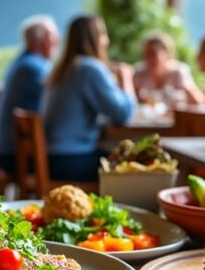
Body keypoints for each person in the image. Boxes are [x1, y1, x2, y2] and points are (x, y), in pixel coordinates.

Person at [42, 15, 135, 182]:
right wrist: (126, 79)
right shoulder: (89, 69)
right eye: (104, 35)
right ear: (97, 39)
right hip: (70, 160)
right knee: (134, 168)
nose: (106, 41)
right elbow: (124, 114)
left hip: (49, 157)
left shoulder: (62, 68)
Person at [0, 15, 60, 176]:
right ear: (38, 41)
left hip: (7, 150)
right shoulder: (33, 68)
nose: (57, 42)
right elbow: (58, 104)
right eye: (52, 37)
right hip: (14, 154)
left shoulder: (25, 63)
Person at [133, 32, 205, 106]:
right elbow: (130, 101)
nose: (149, 58)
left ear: (166, 53)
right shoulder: (139, 72)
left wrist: (185, 90)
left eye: (153, 53)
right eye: (146, 53)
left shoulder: (179, 71)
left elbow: (200, 102)